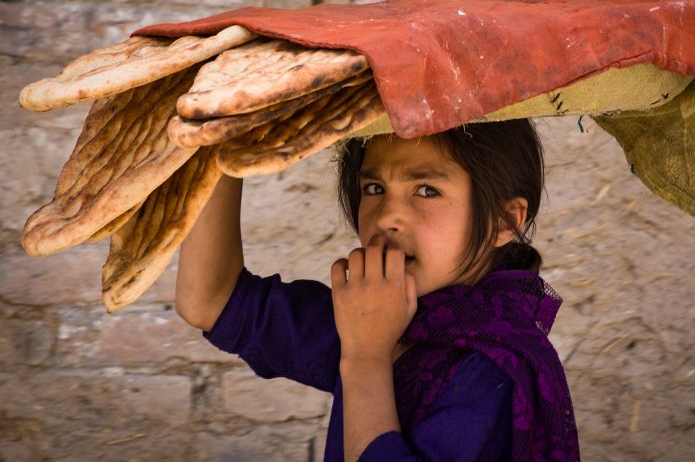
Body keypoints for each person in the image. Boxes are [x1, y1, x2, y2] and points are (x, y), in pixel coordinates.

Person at [175, 119, 580, 462]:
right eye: (373, 189)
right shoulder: (384, 317)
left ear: (503, 221)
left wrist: (366, 357)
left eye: (426, 190)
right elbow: (210, 300)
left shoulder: (491, 369)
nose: (386, 217)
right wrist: (222, 140)